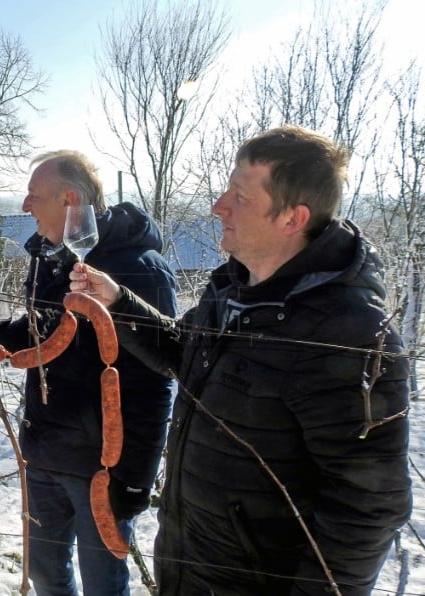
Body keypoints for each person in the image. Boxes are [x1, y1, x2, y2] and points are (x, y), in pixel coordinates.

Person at [69, 125, 412, 595]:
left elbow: (367, 507)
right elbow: (184, 352)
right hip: (190, 568)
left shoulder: (348, 333)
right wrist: (119, 302)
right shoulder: (232, 288)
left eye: (240, 196)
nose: (219, 206)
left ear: (292, 218)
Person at [0, 150, 177, 595]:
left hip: (101, 468)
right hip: (44, 450)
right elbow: (54, 326)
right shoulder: (47, 256)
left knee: (103, 586)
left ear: (68, 198)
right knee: (46, 575)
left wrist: (136, 478)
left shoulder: (139, 269)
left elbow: (156, 379)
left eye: (34, 195)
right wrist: (4, 335)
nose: (25, 206)